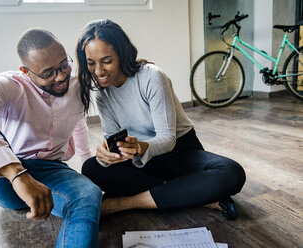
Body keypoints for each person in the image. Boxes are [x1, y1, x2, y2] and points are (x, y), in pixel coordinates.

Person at [0, 28, 102, 248]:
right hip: (6, 179)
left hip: (51, 174)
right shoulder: (10, 85)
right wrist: (17, 174)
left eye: (63, 65)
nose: (60, 76)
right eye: (48, 73)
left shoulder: (77, 88)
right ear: (26, 71)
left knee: (88, 194)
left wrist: (87, 165)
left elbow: (79, 124)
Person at [75, 19, 246, 220]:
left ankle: (123, 204)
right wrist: (107, 155)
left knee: (231, 173)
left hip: (178, 151)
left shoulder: (152, 77)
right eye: (91, 63)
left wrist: (140, 147)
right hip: (142, 161)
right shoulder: (102, 94)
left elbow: (167, 139)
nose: (98, 71)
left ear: (122, 54)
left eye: (107, 61)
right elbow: (114, 144)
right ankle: (189, 193)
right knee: (91, 168)